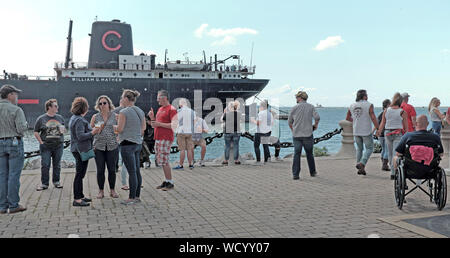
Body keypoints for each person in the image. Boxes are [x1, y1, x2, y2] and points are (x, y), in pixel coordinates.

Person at [0, 85, 28, 214]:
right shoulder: (16, 110)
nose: (17, 97)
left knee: (2, 175)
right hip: (14, 143)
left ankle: (1, 206)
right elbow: (22, 129)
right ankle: (13, 205)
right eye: (16, 94)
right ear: (10, 95)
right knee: (13, 175)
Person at [116, 90, 146, 205]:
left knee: (131, 172)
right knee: (137, 171)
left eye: (122, 98)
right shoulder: (140, 111)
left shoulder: (124, 112)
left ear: (126, 99)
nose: (121, 100)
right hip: (137, 144)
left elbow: (120, 129)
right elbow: (143, 127)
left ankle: (131, 197)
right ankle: (137, 196)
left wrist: (114, 125)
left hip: (127, 145)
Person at [69, 97, 101, 207]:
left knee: (81, 174)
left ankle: (80, 195)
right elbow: (80, 136)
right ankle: (77, 199)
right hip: (80, 150)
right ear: (84, 108)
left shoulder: (74, 118)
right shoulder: (79, 120)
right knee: (79, 174)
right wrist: (93, 132)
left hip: (76, 149)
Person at [90, 95, 119, 199]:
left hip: (112, 146)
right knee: (100, 170)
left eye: (104, 103)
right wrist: (97, 130)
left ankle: (112, 190)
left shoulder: (115, 116)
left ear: (109, 104)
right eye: (100, 103)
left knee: (112, 170)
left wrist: (118, 137)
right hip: (99, 147)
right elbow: (91, 131)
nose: (102, 105)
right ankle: (101, 191)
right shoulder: (95, 117)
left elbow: (120, 130)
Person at [148, 90, 178, 191]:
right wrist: (152, 118)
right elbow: (154, 125)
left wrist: (159, 124)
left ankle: (170, 182)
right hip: (158, 137)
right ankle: (166, 180)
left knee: (165, 160)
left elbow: (174, 125)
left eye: (159, 97)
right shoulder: (160, 109)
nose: (157, 100)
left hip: (166, 138)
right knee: (161, 160)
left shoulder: (172, 109)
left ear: (165, 98)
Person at [345, 90, 379, 175]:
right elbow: (373, 117)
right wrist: (378, 128)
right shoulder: (369, 105)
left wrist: (356, 121)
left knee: (359, 149)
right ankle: (362, 163)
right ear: (364, 96)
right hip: (366, 130)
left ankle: (360, 168)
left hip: (356, 130)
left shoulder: (352, 105)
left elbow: (348, 118)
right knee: (369, 148)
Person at [34, 99, 65, 191]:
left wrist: (62, 131)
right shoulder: (41, 119)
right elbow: (36, 132)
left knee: (57, 164)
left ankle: (56, 182)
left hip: (58, 145)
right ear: (49, 107)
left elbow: (63, 131)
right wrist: (41, 142)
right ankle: (44, 184)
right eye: (55, 106)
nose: (57, 107)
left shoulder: (60, 118)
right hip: (46, 146)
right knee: (45, 164)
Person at [288, 91, 320, 180]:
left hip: (297, 135)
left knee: (297, 154)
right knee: (309, 154)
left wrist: (293, 130)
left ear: (300, 98)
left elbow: (290, 122)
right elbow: (317, 117)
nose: (296, 99)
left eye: (296, 98)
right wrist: (315, 125)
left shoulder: (294, 108)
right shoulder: (311, 107)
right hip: (308, 134)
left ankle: (295, 174)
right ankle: (312, 172)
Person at [377, 93, 408, 180]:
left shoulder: (386, 110)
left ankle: (392, 172)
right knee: (396, 154)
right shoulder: (402, 112)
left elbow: (383, 123)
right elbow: (406, 127)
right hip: (398, 133)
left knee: (390, 153)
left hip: (387, 133)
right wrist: (407, 136)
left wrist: (379, 131)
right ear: (401, 101)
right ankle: (394, 172)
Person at [173, 98, 195, 170]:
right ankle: (191, 164)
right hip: (190, 132)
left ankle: (181, 165)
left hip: (181, 132)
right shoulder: (192, 111)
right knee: (189, 149)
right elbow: (194, 122)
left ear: (180, 104)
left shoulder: (179, 111)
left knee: (182, 149)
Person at [251, 100, 274, 164]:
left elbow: (258, 123)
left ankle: (258, 161)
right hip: (267, 131)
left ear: (262, 106)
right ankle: (266, 160)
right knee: (265, 146)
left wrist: (253, 120)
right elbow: (272, 123)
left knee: (256, 146)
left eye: (260, 106)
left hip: (259, 132)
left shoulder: (261, 113)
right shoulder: (270, 113)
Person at [222, 101, 243, 165]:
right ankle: (236, 160)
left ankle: (226, 160)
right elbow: (240, 120)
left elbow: (223, 119)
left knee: (227, 146)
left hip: (228, 132)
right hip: (236, 131)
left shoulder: (227, 114)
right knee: (236, 146)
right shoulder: (239, 113)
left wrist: (224, 112)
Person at [377, 99, 391, 171]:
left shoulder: (380, 114)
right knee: (387, 150)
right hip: (385, 132)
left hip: (380, 134)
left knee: (383, 149)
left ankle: (383, 162)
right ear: (387, 105)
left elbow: (378, 123)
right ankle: (385, 165)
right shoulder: (386, 113)